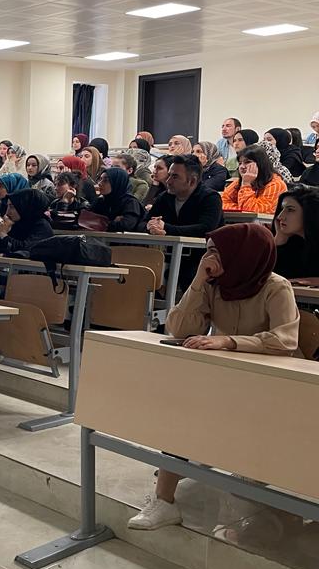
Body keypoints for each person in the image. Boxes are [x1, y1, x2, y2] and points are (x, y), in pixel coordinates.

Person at [127, 224, 298, 531]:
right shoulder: (214, 283)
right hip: (225, 374)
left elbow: (285, 341)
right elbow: (178, 328)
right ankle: (164, 501)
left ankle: (249, 463)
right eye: (208, 251)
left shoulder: (276, 287)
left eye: (217, 252)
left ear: (242, 255)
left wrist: (229, 341)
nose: (210, 259)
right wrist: (197, 280)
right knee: (182, 409)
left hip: (270, 382)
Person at [145, 155, 223, 238]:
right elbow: (144, 221)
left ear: (192, 181)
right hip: (167, 246)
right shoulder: (164, 197)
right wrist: (151, 227)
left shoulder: (210, 198)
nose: (168, 181)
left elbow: (205, 229)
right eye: (169, 175)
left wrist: (166, 228)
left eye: (175, 177)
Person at [273, 185, 319, 284]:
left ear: (309, 212)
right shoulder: (294, 243)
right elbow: (269, 276)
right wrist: (280, 238)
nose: (280, 216)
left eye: (290, 210)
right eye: (282, 209)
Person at [222, 145, 286, 214]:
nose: (242, 167)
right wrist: (239, 209)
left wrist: (246, 185)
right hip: (238, 220)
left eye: (247, 162)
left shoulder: (276, 185)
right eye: (240, 163)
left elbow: (253, 211)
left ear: (260, 163)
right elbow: (221, 203)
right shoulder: (239, 182)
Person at [0, 188, 53, 254]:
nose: (7, 212)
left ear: (25, 206)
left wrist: (3, 234)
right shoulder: (16, 223)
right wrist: (0, 231)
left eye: (12, 207)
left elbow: (25, 250)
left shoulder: (42, 227)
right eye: (8, 206)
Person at [91, 167, 145, 232]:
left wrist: (105, 223)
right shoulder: (100, 201)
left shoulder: (130, 202)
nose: (99, 183)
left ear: (117, 182)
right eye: (100, 179)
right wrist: (113, 222)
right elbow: (88, 221)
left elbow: (126, 225)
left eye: (105, 180)